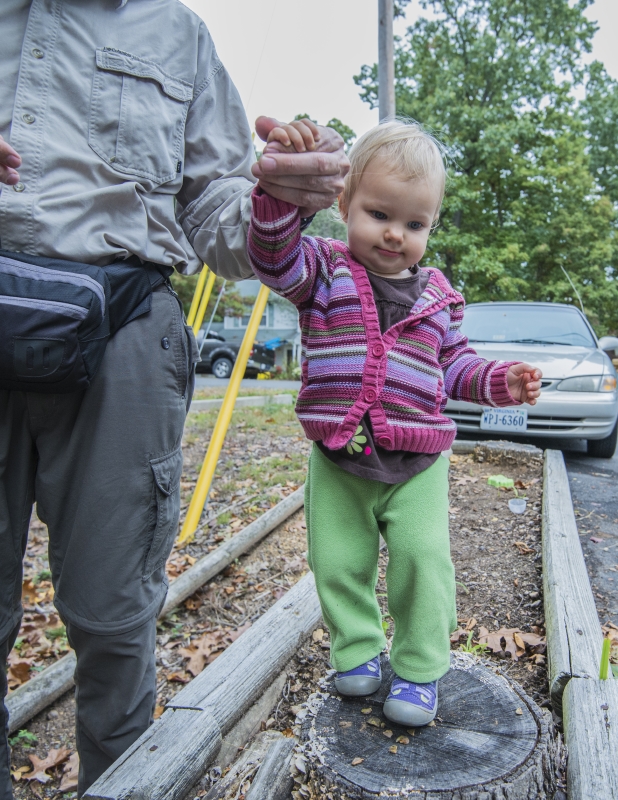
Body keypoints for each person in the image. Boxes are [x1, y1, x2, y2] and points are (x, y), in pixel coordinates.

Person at [0, 2, 348, 797]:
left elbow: (216, 216)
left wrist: (277, 201)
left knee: (115, 618)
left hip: (121, 327)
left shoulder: (178, 34)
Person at [248, 119, 542, 727]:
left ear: (430, 227)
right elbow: (273, 257)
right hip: (339, 455)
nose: (394, 234)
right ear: (343, 205)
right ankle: (358, 650)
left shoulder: (438, 297)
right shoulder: (322, 271)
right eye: (379, 214)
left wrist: (501, 383)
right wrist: (278, 195)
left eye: (414, 224)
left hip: (418, 461)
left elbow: (455, 366)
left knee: (423, 560)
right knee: (337, 561)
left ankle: (419, 669)